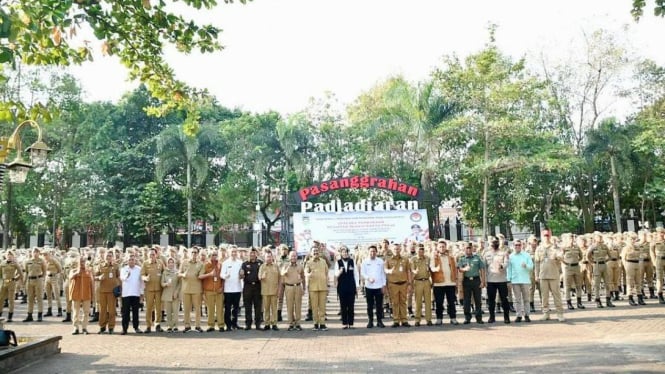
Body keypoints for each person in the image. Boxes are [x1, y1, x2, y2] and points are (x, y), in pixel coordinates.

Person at [535, 230, 565, 322]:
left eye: (548, 235)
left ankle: (560, 313)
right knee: (544, 296)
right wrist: (536, 274)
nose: (546, 237)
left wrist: (558, 255)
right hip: (543, 275)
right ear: (542, 236)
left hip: (553, 274)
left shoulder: (555, 247)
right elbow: (536, 262)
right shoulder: (539, 248)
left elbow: (561, 257)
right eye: (544, 235)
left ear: (550, 236)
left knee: (556, 295)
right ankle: (545, 313)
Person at [430, 239, 458, 325]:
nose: (442, 248)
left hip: (450, 283)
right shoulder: (434, 257)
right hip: (439, 283)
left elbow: (455, 268)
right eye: (440, 247)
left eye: (443, 246)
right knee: (439, 302)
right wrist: (435, 269)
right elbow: (431, 267)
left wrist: (456, 281)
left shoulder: (451, 257)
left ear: (446, 247)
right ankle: (439, 318)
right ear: (437, 248)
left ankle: (453, 318)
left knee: (451, 302)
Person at [457, 241, 486, 324]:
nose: (469, 250)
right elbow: (459, 269)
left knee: (478, 300)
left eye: (470, 248)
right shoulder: (462, 258)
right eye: (467, 248)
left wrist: (483, 281)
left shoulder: (477, 257)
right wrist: (464, 269)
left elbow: (482, 269)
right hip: (466, 280)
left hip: (476, 280)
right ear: (464, 249)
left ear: (472, 248)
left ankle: (479, 317)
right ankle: (467, 317)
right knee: (467, 300)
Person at [483, 238, 510, 324]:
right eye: (493, 242)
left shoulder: (503, 253)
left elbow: (507, 263)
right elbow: (484, 267)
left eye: (496, 242)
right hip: (491, 280)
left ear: (498, 243)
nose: (494, 244)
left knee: (504, 299)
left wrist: (502, 266)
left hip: (501, 279)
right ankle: (491, 317)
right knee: (491, 300)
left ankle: (506, 317)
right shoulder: (486, 254)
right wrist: (484, 279)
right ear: (490, 243)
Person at [385, 244, 412, 327]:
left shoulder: (405, 259)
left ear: (400, 249)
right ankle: (396, 320)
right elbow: (385, 270)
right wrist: (389, 271)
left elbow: (408, 271)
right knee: (395, 303)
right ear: (392, 250)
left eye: (398, 249)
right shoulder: (388, 259)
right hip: (393, 284)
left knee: (403, 302)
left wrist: (410, 284)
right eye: (395, 249)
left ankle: (404, 320)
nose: (396, 250)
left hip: (403, 284)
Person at [507, 240, 533, 322]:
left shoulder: (526, 255)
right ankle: (518, 315)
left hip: (525, 280)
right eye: (516, 245)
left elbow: (532, 266)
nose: (517, 246)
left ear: (521, 245)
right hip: (515, 280)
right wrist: (509, 280)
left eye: (519, 245)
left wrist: (526, 266)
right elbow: (509, 269)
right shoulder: (511, 256)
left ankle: (527, 315)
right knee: (517, 299)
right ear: (513, 246)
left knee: (526, 299)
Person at [361, 245, 386, 328]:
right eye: (371, 251)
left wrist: (384, 285)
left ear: (376, 252)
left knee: (379, 305)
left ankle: (379, 321)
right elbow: (363, 273)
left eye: (374, 251)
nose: (372, 253)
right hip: (369, 287)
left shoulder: (380, 261)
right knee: (370, 305)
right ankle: (370, 321)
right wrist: (368, 278)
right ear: (369, 252)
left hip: (379, 286)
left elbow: (383, 274)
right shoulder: (364, 261)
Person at [95, 251, 120, 334]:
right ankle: (102, 326)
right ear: (104, 257)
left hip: (112, 291)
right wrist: (99, 277)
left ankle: (111, 327)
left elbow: (118, 277)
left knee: (112, 310)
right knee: (102, 310)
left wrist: (119, 288)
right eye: (107, 256)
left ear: (112, 257)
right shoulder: (100, 265)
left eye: (110, 256)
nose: (108, 257)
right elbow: (94, 276)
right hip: (102, 291)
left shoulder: (116, 266)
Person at [179, 247, 204, 333]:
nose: (194, 254)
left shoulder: (201, 264)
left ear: (198, 254)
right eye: (192, 252)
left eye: (195, 252)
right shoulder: (184, 262)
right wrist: (183, 275)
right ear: (190, 253)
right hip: (186, 289)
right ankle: (187, 325)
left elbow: (200, 275)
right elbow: (179, 273)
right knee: (186, 309)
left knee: (197, 309)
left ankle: (197, 326)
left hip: (196, 289)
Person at [199, 250, 224, 332]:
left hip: (219, 290)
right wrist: (209, 274)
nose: (214, 256)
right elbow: (200, 276)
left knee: (220, 308)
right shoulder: (206, 265)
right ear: (210, 256)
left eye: (216, 255)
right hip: (209, 290)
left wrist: (222, 287)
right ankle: (211, 325)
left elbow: (223, 278)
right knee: (210, 309)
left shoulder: (220, 264)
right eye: (213, 255)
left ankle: (221, 325)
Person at [305, 246, 329, 331]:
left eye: (317, 251)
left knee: (322, 306)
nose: (315, 252)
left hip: (322, 287)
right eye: (314, 251)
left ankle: (322, 324)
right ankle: (315, 323)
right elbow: (306, 273)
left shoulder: (323, 262)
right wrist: (309, 274)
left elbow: (326, 274)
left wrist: (327, 284)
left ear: (319, 252)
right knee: (314, 307)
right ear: (311, 253)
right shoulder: (308, 263)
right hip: (313, 288)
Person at [69, 256, 95, 335]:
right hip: (76, 294)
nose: (82, 263)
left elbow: (92, 284)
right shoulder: (73, 270)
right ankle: (75, 328)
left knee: (86, 312)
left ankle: (84, 328)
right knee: (75, 312)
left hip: (86, 294)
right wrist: (77, 272)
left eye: (83, 262)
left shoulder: (88, 272)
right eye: (80, 262)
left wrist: (93, 296)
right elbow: (70, 278)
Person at [335, 246, 359, 329]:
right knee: (343, 305)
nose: (345, 254)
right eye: (343, 252)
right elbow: (336, 275)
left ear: (348, 253)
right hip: (342, 287)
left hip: (351, 286)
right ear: (341, 253)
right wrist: (340, 271)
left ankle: (351, 323)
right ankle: (345, 323)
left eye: (346, 252)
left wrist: (357, 286)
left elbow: (356, 274)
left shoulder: (352, 261)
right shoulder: (338, 262)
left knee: (351, 305)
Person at [280, 250, 305, 331]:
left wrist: (304, 287)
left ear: (296, 257)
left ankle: (298, 323)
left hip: (298, 287)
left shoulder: (300, 266)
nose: (293, 257)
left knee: (298, 306)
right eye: (292, 256)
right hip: (288, 287)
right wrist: (285, 271)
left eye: (294, 256)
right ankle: (291, 323)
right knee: (289, 306)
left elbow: (303, 277)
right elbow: (282, 274)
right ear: (289, 257)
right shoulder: (285, 265)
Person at [141, 248, 164, 333]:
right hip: (149, 289)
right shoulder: (145, 263)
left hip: (158, 289)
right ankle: (148, 326)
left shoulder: (160, 263)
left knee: (158, 308)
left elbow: (164, 272)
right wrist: (145, 278)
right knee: (149, 308)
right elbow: (142, 274)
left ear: (156, 255)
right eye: (150, 254)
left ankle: (157, 324)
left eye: (153, 254)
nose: (151, 256)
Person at [587, 232, 612, 308]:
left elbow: (609, 256)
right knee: (597, 284)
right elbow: (588, 256)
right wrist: (593, 262)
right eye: (598, 237)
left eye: (601, 237)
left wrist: (605, 261)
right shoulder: (592, 247)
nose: (600, 238)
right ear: (595, 238)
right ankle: (598, 300)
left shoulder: (605, 246)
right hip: (596, 265)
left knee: (607, 283)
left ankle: (608, 300)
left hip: (604, 265)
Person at [561, 234, 585, 310]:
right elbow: (560, 257)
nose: (572, 239)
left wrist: (576, 261)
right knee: (567, 286)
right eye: (570, 238)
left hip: (576, 267)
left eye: (573, 238)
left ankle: (579, 302)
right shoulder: (564, 248)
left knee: (578, 285)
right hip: (568, 267)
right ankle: (569, 303)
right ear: (567, 239)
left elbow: (581, 256)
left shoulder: (577, 247)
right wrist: (566, 263)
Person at [120, 254, 143, 335]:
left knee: (135, 312)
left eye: (132, 260)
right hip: (126, 294)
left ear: (135, 261)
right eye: (130, 260)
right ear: (127, 261)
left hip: (136, 293)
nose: (131, 261)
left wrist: (141, 294)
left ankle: (136, 327)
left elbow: (141, 282)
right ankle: (124, 328)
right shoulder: (123, 269)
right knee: (125, 312)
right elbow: (122, 278)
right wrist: (127, 275)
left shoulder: (139, 269)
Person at [241, 248, 263, 330]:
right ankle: (248, 324)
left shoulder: (260, 263)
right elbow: (241, 275)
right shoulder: (244, 264)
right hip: (248, 286)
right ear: (248, 254)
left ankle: (258, 324)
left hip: (258, 286)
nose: (252, 254)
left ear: (256, 253)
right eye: (251, 253)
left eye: (254, 253)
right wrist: (241, 275)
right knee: (248, 306)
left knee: (258, 306)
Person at [410, 244, 432, 326]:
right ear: (416, 250)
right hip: (418, 281)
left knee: (428, 302)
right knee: (418, 302)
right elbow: (412, 269)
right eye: (419, 250)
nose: (421, 251)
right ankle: (417, 320)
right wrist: (414, 271)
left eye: (422, 250)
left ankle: (428, 319)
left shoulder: (427, 258)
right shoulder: (413, 259)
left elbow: (430, 269)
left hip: (426, 281)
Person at [23, 247, 47, 322]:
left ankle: (40, 315)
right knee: (30, 298)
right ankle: (29, 315)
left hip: (38, 280)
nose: (35, 253)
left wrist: (41, 279)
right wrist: (24, 281)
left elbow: (44, 271)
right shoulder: (27, 261)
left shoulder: (41, 261)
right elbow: (26, 272)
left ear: (39, 253)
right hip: (30, 280)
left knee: (39, 298)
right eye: (34, 252)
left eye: (37, 252)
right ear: (32, 253)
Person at [222, 246, 243, 331]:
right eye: (232, 252)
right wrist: (225, 276)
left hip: (237, 288)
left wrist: (242, 275)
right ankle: (228, 325)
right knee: (227, 308)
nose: (234, 253)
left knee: (236, 308)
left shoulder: (240, 262)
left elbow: (242, 275)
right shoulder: (225, 263)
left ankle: (235, 324)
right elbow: (221, 274)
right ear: (229, 253)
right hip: (228, 289)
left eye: (235, 252)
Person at [259, 251, 281, 330]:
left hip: (274, 291)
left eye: (270, 256)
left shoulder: (276, 266)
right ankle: (267, 324)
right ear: (265, 258)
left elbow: (280, 279)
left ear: (272, 257)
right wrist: (262, 276)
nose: (268, 258)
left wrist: (279, 290)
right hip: (265, 291)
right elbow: (259, 277)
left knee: (274, 308)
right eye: (267, 257)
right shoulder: (262, 266)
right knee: (266, 308)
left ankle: (274, 323)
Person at [0, 250, 24, 322]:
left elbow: (21, 274)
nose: (9, 256)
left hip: (11, 283)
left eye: (10, 255)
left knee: (11, 300)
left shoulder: (15, 264)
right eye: (8, 255)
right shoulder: (2, 263)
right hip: (4, 283)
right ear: (6, 256)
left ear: (13, 256)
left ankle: (10, 316)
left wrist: (15, 279)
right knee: (1, 299)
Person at [161, 257, 181, 332]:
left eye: (172, 262)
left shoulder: (177, 272)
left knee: (175, 311)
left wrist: (176, 292)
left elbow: (180, 283)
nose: (171, 264)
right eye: (169, 262)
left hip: (175, 294)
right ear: (167, 264)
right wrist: (166, 284)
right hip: (167, 294)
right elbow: (162, 283)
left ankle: (176, 326)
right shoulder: (165, 272)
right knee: (168, 312)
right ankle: (169, 326)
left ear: (174, 263)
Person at [43, 250, 64, 318]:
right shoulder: (43, 261)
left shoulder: (54, 260)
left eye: (46, 254)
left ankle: (59, 310)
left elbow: (60, 269)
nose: (45, 256)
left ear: (49, 255)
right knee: (48, 295)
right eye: (44, 255)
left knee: (56, 295)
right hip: (47, 278)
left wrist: (55, 274)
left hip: (54, 278)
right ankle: (49, 310)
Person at [651, 228, 665, 303]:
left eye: (663, 232)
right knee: (659, 278)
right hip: (659, 260)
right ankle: (660, 294)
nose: (662, 234)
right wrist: (654, 262)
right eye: (660, 233)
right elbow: (652, 252)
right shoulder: (654, 242)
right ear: (657, 233)